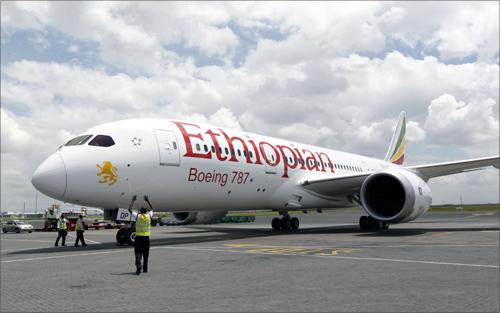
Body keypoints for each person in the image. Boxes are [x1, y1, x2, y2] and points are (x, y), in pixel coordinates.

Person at [128, 195, 154, 275]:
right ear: (146, 211)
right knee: (146, 254)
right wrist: (147, 200)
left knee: (138, 253)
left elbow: (129, 209)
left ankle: (139, 265)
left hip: (138, 238)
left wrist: (133, 200)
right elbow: (152, 209)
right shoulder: (149, 216)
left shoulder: (138, 216)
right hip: (146, 238)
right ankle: (145, 268)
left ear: (140, 211)